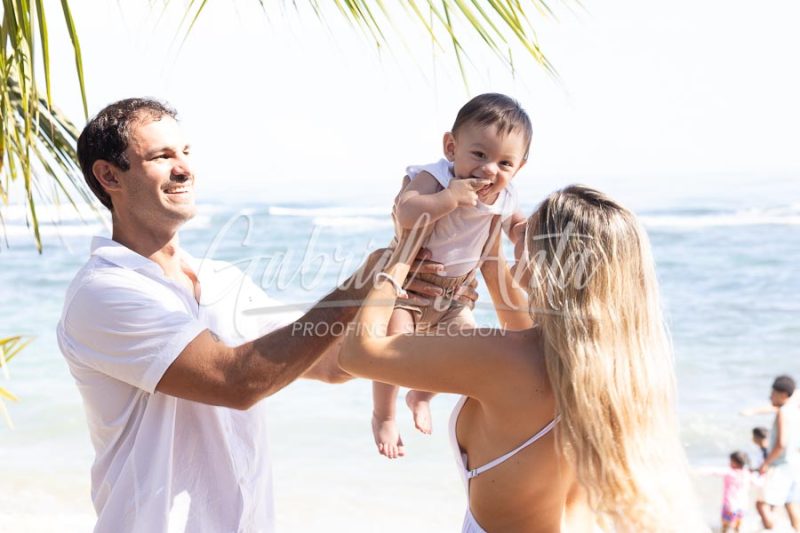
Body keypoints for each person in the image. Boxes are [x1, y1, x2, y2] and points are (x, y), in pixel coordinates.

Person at [56, 98, 470, 533]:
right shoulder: (104, 291)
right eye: (162, 156)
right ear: (108, 176)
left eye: (185, 152)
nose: (183, 169)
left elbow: (332, 363)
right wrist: (364, 282)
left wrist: (410, 294)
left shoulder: (220, 279)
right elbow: (237, 381)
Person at [341, 185, 705, 531]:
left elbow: (358, 353)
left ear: (550, 263)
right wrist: (487, 248)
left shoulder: (503, 358)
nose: (519, 239)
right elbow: (524, 326)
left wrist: (398, 259)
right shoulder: (623, 370)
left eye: (527, 236)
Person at [371, 93, 530, 459]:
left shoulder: (504, 197)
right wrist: (449, 200)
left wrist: (523, 234)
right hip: (409, 288)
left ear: (519, 168)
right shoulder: (435, 178)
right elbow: (406, 211)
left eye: (505, 163)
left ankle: (422, 395)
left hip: (456, 296)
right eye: (479, 155)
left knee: (471, 351)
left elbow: (516, 224)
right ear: (450, 147)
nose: (490, 170)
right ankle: (384, 414)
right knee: (393, 351)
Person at [756, 375, 800, 531]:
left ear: (783, 395)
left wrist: (766, 463)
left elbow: (781, 443)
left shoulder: (783, 412)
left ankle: (771, 529)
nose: (770, 396)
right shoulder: (796, 411)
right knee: (791, 504)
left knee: (762, 503)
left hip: (781, 466)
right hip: (795, 464)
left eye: (773, 393)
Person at [697, 451, 753, 532]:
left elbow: (714, 471)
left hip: (730, 506)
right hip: (742, 507)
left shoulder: (730, 472)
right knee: (737, 528)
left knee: (725, 527)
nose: (729, 463)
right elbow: (759, 482)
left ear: (735, 463)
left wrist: (698, 471)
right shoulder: (747, 474)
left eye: (731, 461)